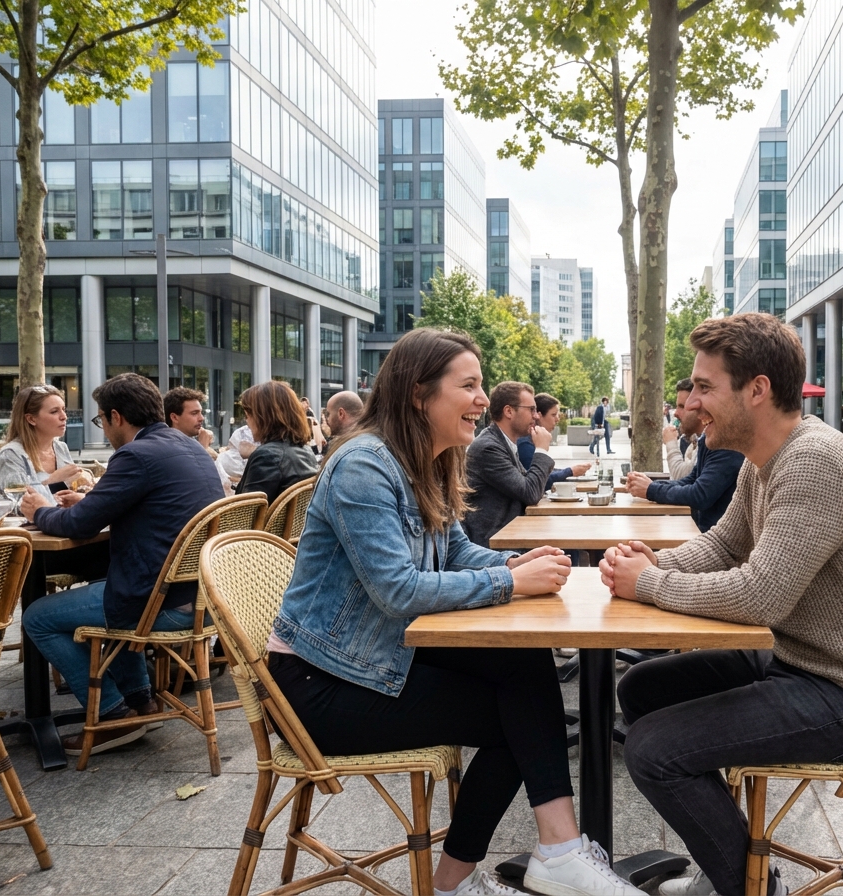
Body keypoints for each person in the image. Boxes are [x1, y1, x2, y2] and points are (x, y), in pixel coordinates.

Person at [268, 328, 640, 896]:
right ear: (419, 395)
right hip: (321, 683)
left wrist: (513, 566)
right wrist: (505, 583)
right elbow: (396, 589)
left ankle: (547, 854)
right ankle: (485, 876)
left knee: (522, 670)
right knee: (521, 721)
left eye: (482, 385)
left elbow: (452, 549)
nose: (482, 399)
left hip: (381, 653)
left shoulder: (429, 460)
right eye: (468, 385)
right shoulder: (363, 465)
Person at [600, 313, 843, 896]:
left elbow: (760, 594)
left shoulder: (813, 462)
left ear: (757, 390)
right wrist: (648, 562)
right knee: (639, 688)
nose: (694, 403)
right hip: (801, 664)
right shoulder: (765, 457)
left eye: (704, 387)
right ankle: (733, 857)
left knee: (652, 752)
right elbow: (726, 544)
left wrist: (646, 584)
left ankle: (750, 886)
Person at [20, 373, 225, 755]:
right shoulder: (190, 447)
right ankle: (141, 701)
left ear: (116, 417)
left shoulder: (135, 455)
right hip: (205, 598)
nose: (105, 428)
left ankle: (112, 715)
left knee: (37, 617)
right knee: (110, 584)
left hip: (160, 603)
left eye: (100, 420)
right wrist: (91, 502)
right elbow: (149, 506)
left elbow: (79, 525)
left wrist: (40, 509)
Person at [461, 382, 556, 547]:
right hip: (492, 549)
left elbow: (527, 486)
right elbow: (530, 493)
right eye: (531, 409)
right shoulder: (488, 447)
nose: (536, 416)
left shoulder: (504, 442)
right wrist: (541, 450)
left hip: (510, 538)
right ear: (509, 411)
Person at [626, 430, 743, 533]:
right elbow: (691, 479)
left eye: (682, 406)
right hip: (705, 536)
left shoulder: (728, 444)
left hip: (713, 542)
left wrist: (651, 489)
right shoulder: (708, 439)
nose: (676, 413)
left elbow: (699, 495)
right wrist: (650, 486)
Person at [235, 382, 319, 504]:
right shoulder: (305, 450)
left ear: (263, 417)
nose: (246, 420)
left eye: (248, 415)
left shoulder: (267, 456)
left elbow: (246, 515)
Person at [0, 384, 86, 500]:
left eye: (64, 410)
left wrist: (84, 485)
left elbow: (67, 491)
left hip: (62, 517)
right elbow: (16, 502)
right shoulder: (12, 454)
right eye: (54, 411)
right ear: (31, 419)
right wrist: (51, 480)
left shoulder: (60, 447)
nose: (64, 416)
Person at [164, 387, 232, 495]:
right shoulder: (167, 447)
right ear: (174, 417)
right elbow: (195, 482)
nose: (201, 418)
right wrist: (203, 449)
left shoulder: (194, 443)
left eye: (201, 412)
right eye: (194, 413)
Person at [518, 393, 591, 489]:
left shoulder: (529, 440)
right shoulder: (525, 443)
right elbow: (539, 480)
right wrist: (570, 471)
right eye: (553, 415)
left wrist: (571, 471)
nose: (558, 419)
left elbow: (545, 472)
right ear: (538, 416)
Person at [663, 378, 701, 480]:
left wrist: (671, 443)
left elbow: (682, 477)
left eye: (682, 406)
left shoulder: (713, 443)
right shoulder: (692, 441)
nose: (675, 413)